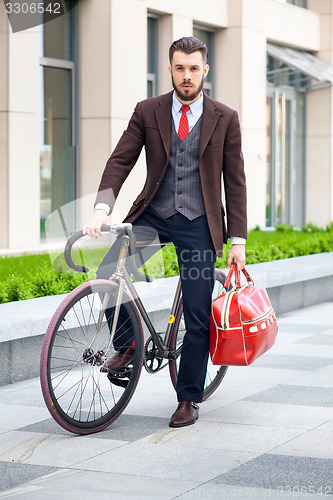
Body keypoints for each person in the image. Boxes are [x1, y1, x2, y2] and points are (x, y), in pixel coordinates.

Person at [83, 36, 247, 428]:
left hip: (198, 224)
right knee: (108, 273)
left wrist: (237, 240)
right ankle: (127, 344)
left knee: (196, 313)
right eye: (179, 68)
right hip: (154, 216)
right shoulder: (148, 111)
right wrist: (102, 208)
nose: (186, 75)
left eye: (194, 68)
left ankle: (188, 397)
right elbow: (120, 160)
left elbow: (235, 181)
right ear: (170, 69)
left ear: (204, 71)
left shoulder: (225, 117)